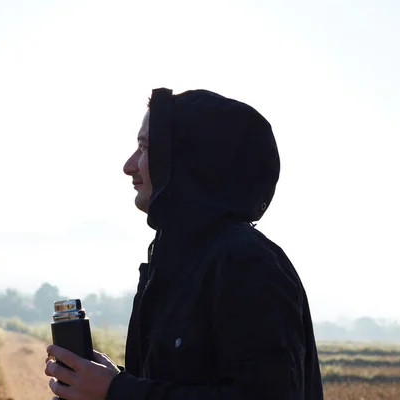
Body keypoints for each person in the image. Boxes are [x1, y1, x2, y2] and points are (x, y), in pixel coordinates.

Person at [45, 88, 324, 399]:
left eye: (144, 147)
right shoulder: (173, 261)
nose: (129, 165)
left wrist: (118, 391)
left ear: (187, 158)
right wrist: (104, 384)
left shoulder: (246, 263)